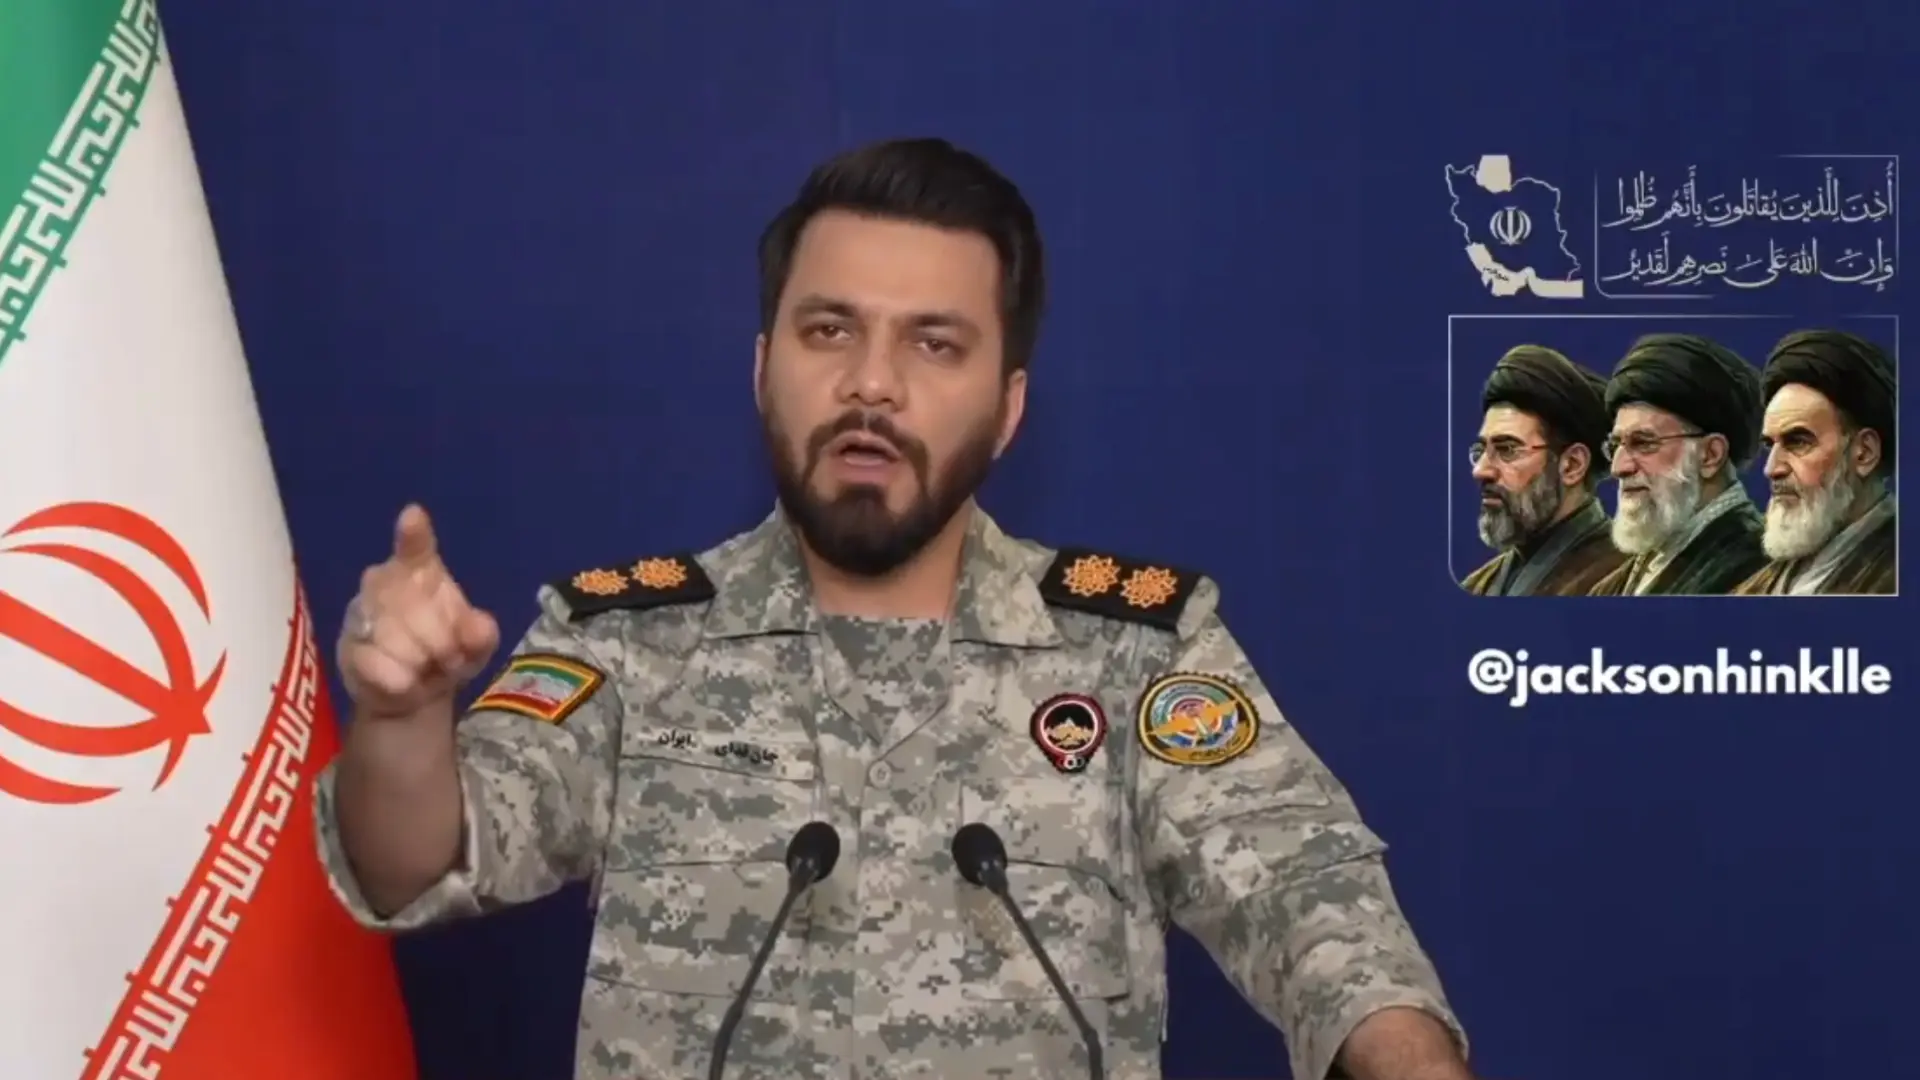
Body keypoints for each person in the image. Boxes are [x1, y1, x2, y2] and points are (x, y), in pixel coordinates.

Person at [313, 138, 1472, 1080]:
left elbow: (1310, 900)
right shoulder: (627, 638)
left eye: (934, 343)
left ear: (1007, 408)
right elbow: (419, 860)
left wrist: (1407, 1060)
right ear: (762, 367)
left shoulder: (1131, 653)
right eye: (830, 331)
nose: (872, 383)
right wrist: (403, 720)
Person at [1587, 333, 1768, 596]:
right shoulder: (1619, 582)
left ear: (1710, 455)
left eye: (1643, 443)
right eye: (1616, 445)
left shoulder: (1756, 569)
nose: (1618, 467)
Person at [1732, 329, 1897, 595]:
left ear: (1864, 453)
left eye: (1798, 442)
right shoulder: (1749, 591)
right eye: (1770, 445)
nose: (1771, 469)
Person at [1460, 344, 1624, 595]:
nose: (1481, 471)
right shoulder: (1477, 585)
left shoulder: (1627, 579)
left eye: (1507, 449)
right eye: (1480, 450)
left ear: (1572, 465)